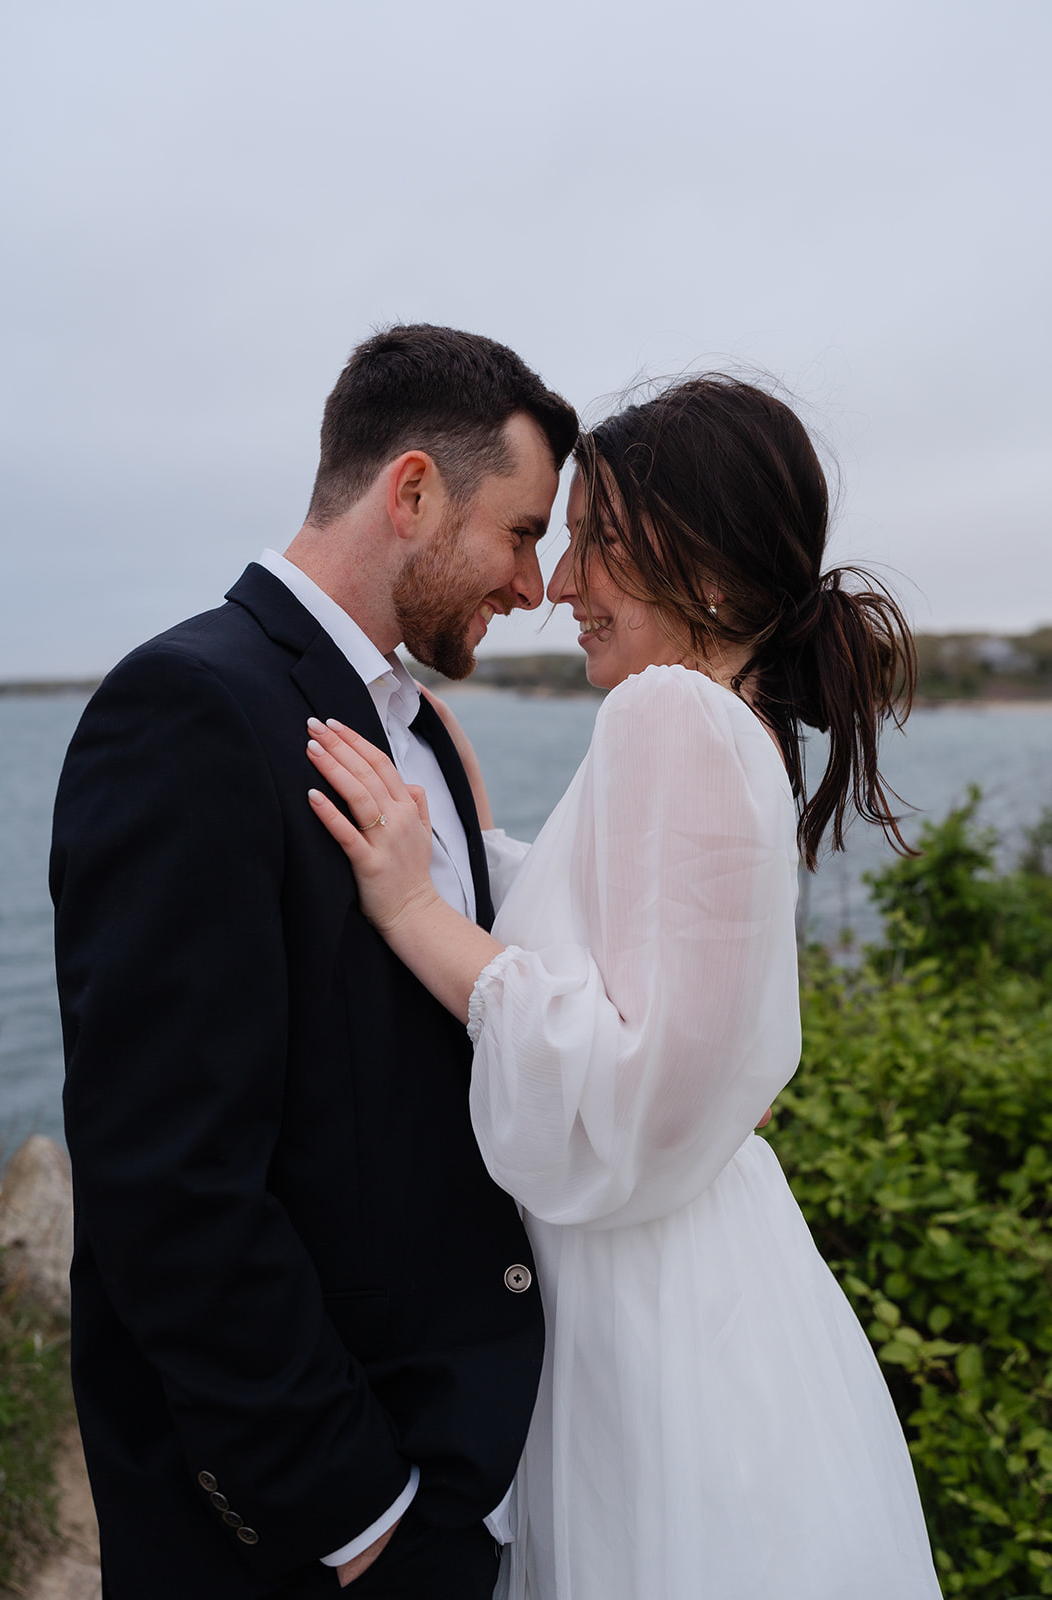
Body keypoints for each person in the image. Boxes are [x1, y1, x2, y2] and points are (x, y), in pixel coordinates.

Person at [304, 376, 945, 1599]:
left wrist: (410, 905)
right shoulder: (733, 721)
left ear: (693, 566)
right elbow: (650, 972)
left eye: (588, 538)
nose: (556, 587)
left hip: (648, 1324)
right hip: (708, 1284)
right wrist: (467, 833)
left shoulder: (667, 715)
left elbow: (623, 1077)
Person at [50, 323, 578, 1600]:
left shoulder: (422, 734)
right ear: (411, 492)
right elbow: (168, 1181)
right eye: (518, 531)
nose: (533, 583)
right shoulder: (188, 710)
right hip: (314, 1527)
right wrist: (353, 1509)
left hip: (458, 1467)